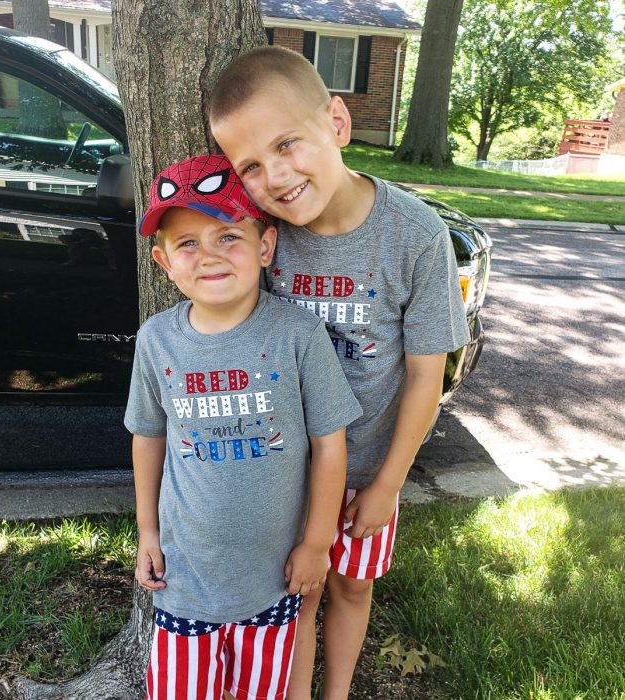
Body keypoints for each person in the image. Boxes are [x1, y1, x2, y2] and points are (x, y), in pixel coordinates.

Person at [209, 47, 471, 699]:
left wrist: (389, 483)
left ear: (336, 121)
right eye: (250, 166)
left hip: (366, 473)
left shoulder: (416, 235)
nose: (274, 176)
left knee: (352, 586)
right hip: (283, 472)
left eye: (287, 144)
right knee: (299, 590)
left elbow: (424, 377)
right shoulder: (260, 235)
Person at [124, 154, 362, 700]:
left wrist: (317, 544)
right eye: (187, 244)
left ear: (265, 246)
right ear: (162, 261)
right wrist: (147, 532)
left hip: (274, 578)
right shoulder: (156, 340)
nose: (207, 256)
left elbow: (330, 445)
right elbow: (148, 435)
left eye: (227, 235)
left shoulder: (298, 334)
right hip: (184, 577)